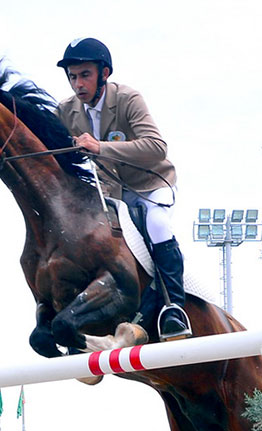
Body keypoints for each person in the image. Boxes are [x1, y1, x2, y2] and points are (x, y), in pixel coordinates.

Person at [55, 37, 191, 340]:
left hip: (151, 185)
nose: (78, 84)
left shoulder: (128, 99)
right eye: (72, 76)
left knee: (156, 223)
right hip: (110, 195)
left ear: (104, 73)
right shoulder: (66, 111)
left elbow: (156, 147)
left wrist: (99, 147)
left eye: (85, 75)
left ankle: (175, 309)